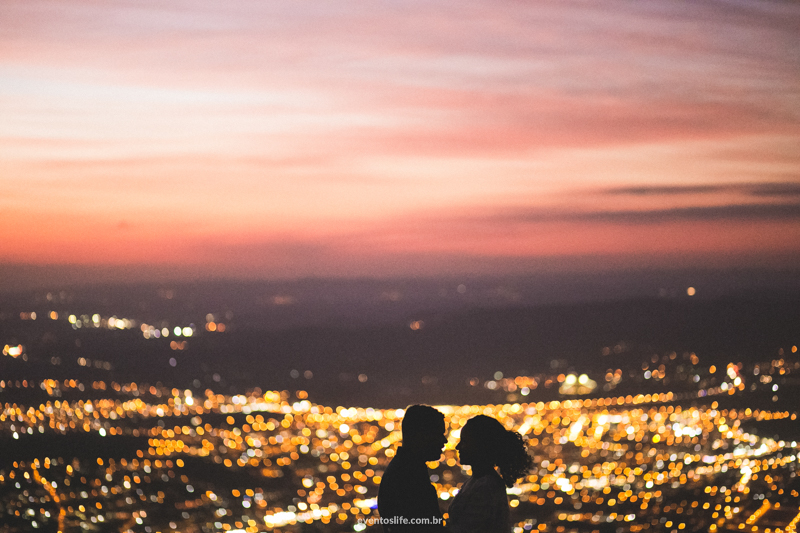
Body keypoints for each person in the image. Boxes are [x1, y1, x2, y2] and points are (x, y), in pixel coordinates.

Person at [447, 415, 532, 533]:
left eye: (465, 442)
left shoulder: (485, 486)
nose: (458, 447)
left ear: (481, 446)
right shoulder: (479, 481)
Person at [378, 404, 449, 532]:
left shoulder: (405, 470)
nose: (444, 441)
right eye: (438, 434)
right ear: (420, 436)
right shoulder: (407, 477)